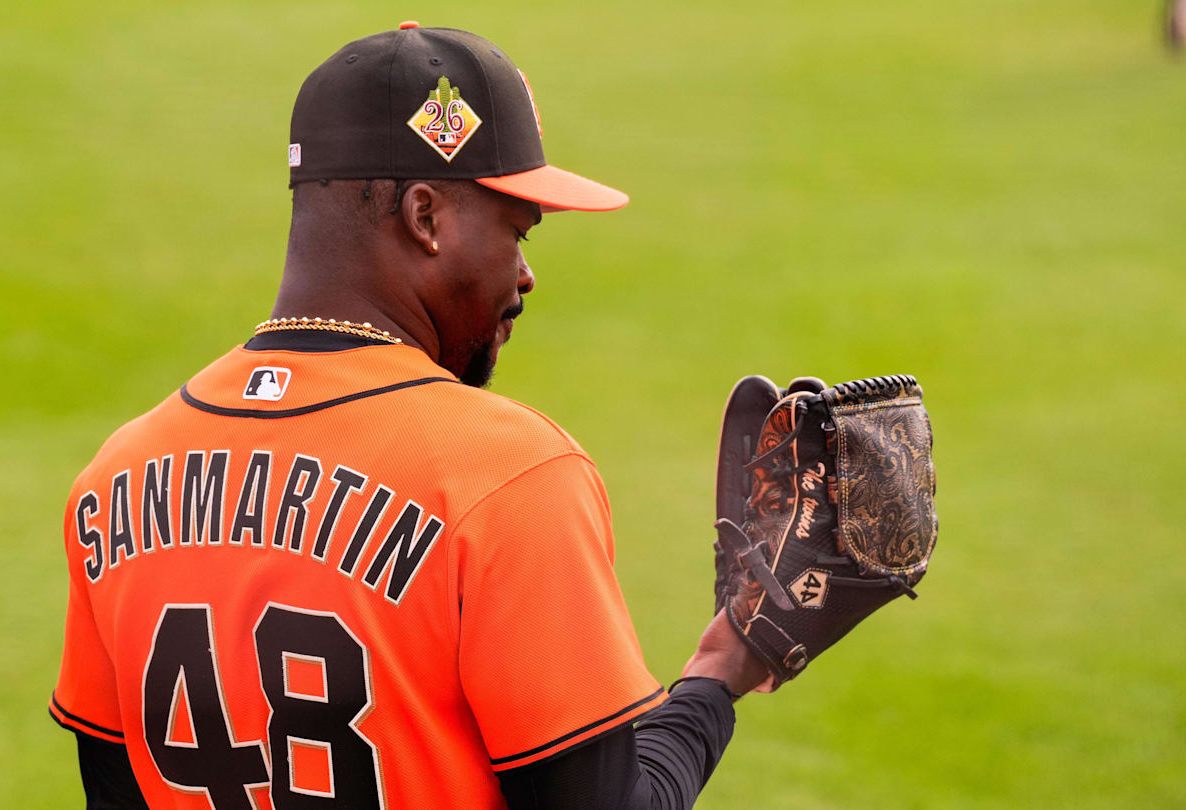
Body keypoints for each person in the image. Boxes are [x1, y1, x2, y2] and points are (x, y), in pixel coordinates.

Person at [49, 23, 767, 809]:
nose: (525, 276)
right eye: (517, 232)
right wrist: (717, 676)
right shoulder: (508, 475)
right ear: (426, 216)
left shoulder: (116, 481)